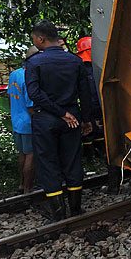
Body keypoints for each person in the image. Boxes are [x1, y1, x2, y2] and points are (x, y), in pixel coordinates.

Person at [26, 21, 93, 220]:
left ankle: (58, 212)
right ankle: (75, 208)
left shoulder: (34, 63)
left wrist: (59, 112)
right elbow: (85, 93)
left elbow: (35, 94)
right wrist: (86, 119)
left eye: (34, 39)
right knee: (72, 160)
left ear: (41, 39)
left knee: (48, 163)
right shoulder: (74, 61)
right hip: (72, 118)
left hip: (46, 118)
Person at [8, 46, 38, 193]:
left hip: (17, 121)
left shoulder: (14, 74)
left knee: (22, 154)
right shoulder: (29, 76)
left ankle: (21, 184)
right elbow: (31, 104)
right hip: (28, 122)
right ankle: (28, 188)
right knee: (31, 155)